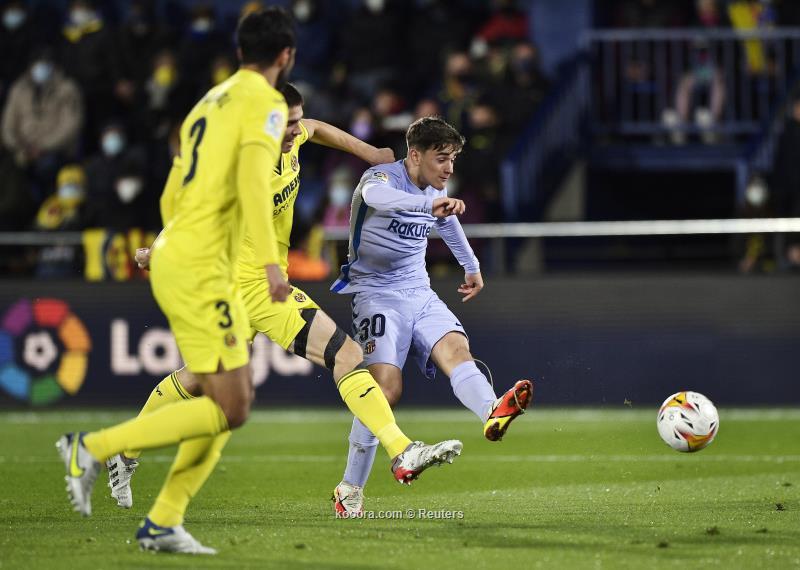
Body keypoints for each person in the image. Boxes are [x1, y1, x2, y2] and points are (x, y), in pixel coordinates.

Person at [102, 84, 462, 516]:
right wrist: (155, 252)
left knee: (198, 378)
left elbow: (318, 128)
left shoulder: (290, 139)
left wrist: (369, 153)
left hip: (242, 289)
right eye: (287, 123)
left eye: (295, 120)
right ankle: (402, 450)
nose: (295, 129)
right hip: (254, 287)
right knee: (348, 355)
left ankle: (124, 449)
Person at [55, 8, 296, 555]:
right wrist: (270, 264)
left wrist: (166, 246)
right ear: (286, 56)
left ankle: (163, 520)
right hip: (206, 266)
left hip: (181, 256)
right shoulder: (266, 104)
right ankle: (92, 448)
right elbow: (255, 186)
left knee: (223, 399)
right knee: (233, 405)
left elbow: (174, 187)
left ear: (240, 52)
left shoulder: (206, 104)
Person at [329, 116, 533, 518]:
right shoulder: (381, 178)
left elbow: (447, 221)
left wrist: (471, 266)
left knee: (457, 349)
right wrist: (429, 204)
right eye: (442, 158)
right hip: (376, 295)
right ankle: (349, 488)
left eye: (453, 159)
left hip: (419, 291)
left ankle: (491, 411)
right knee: (384, 390)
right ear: (415, 155)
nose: (449, 168)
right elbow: (376, 198)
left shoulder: (434, 189)